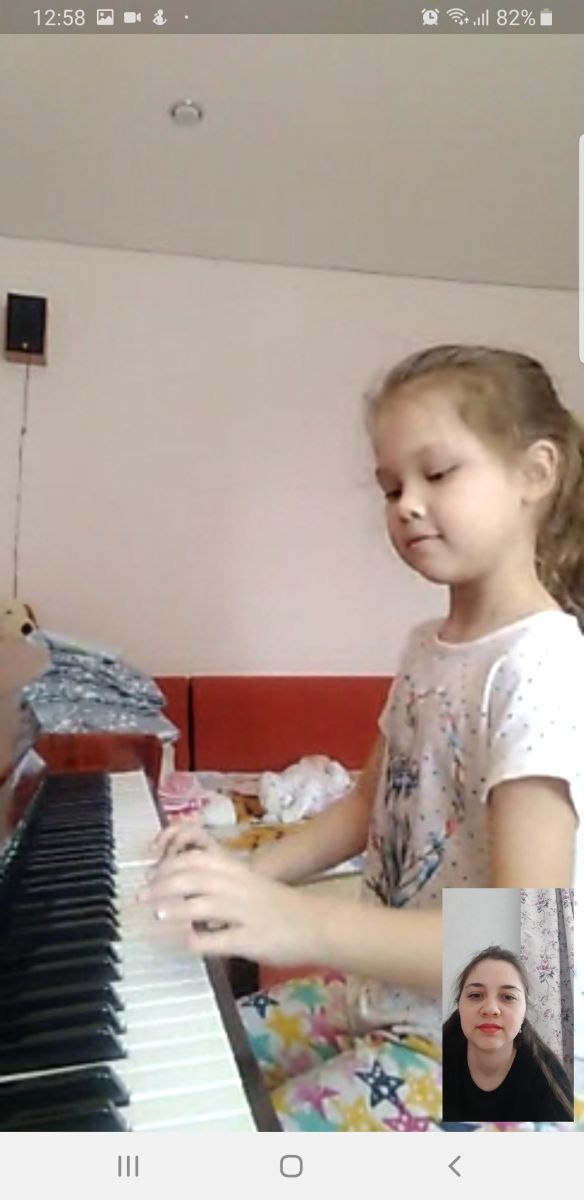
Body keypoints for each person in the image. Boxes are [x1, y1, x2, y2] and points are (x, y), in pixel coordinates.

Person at [140, 344, 584, 1131]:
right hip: (384, 997)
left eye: (437, 473)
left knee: (216, 1143)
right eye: (390, 486)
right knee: (176, 1057)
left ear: (535, 472)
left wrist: (296, 922)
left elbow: (523, 942)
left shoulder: (542, 666)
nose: (407, 504)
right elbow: (365, 807)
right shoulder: (426, 648)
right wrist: (243, 876)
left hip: (488, 1060)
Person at [442, 946, 573, 1121]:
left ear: (524, 1012)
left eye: (508, 997)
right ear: (459, 1006)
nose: (490, 1009)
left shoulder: (548, 1079)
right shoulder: (426, 1061)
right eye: (475, 995)